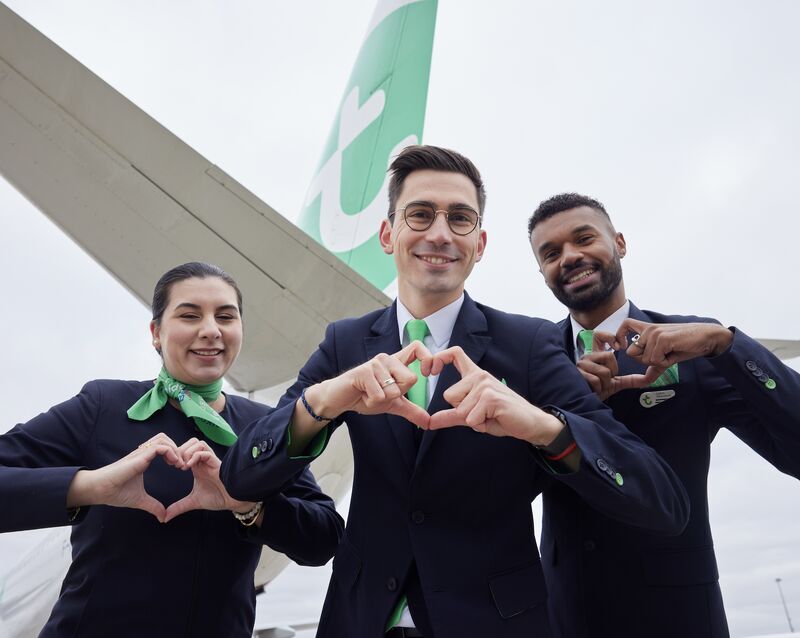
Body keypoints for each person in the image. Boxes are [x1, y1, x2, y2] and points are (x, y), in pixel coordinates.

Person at [221, 146, 689, 638]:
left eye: (460, 219)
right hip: (359, 621)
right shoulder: (346, 343)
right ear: (388, 234)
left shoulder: (529, 346)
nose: (440, 234)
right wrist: (324, 400)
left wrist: (543, 427)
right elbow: (242, 475)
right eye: (420, 215)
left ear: (480, 244)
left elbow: (662, 499)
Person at [0, 262, 344, 638]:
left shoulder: (264, 427)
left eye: (226, 317)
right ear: (156, 332)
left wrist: (245, 504)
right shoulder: (104, 406)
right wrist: (92, 486)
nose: (211, 330)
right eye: (190, 315)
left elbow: (324, 540)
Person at [528, 193, 800, 638]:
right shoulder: (536, 359)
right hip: (569, 615)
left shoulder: (695, 344)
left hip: (679, 614)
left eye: (584, 238)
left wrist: (727, 344)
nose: (570, 257)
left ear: (619, 242)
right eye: (551, 253)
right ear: (542, 273)